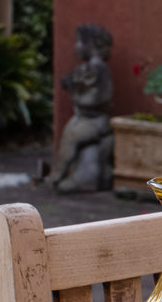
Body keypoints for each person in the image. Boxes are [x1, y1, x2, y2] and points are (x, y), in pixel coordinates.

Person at [48, 24, 114, 193]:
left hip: (96, 121)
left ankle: (57, 175)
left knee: (71, 136)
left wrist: (77, 95)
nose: (76, 47)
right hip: (85, 118)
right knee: (70, 130)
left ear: (92, 45)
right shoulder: (91, 68)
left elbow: (101, 97)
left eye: (79, 42)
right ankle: (63, 174)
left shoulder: (99, 69)